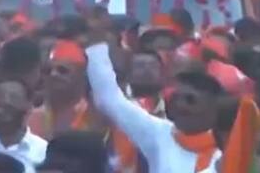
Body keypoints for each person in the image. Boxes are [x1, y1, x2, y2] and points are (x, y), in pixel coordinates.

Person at [86, 37, 226, 172]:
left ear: (212, 108)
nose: (181, 105)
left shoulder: (227, 152)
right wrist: (96, 47)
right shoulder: (160, 133)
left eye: (190, 99)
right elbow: (110, 100)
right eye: (176, 97)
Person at [0, 80, 47, 173]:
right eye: (0, 96)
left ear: (29, 106)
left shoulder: (42, 150)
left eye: (14, 97)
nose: (6, 101)